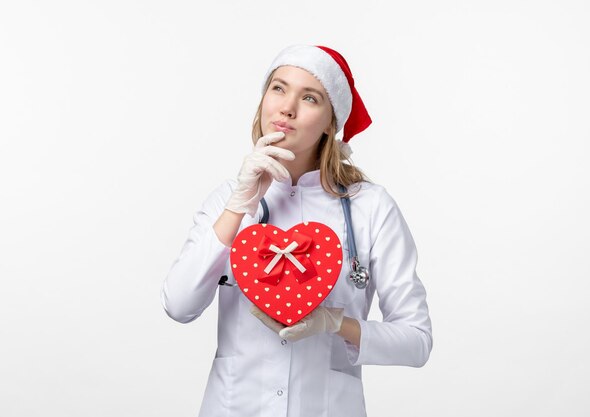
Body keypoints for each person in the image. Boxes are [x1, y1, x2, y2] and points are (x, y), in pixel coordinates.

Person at [161, 44, 433, 417]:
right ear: (263, 102)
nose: (287, 107)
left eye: (310, 97)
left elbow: (416, 342)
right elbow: (178, 305)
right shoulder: (228, 200)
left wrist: (336, 323)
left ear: (330, 124)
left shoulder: (370, 207)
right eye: (278, 88)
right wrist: (239, 205)